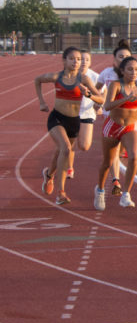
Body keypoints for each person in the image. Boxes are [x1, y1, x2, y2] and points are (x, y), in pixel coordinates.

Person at [34, 47, 103, 205]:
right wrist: (42, 102)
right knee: (65, 149)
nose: (76, 62)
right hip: (57, 118)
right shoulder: (57, 77)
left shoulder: (84, 79)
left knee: (61, 152)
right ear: (64, 61)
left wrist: (89, 95)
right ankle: (61, 193)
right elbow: (37, 80)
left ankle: (49, 174)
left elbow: (100, 100)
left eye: (79, 59)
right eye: (72, 58)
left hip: (73, 121)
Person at [94, 56, 137, 210]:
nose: (134, 72)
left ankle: (126, 194)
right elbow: (108, 105)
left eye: (136, 69)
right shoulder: (116, 85)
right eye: (130, 69)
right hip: (112, 126)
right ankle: (99, 190)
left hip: (130, 127)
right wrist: (125, 98)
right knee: (107, 162)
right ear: (122, 71)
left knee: (133, 157)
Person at [73, 49, 101, 179]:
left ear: (90, 62)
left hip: (87, 112)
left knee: (84, 146)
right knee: (68, 144)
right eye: (81, 59)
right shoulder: (69, 75)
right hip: (70, 113)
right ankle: (68, 167)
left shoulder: (95, 77)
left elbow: (102, 95)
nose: (84, 62)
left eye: (87, 59)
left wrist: (98, 105)